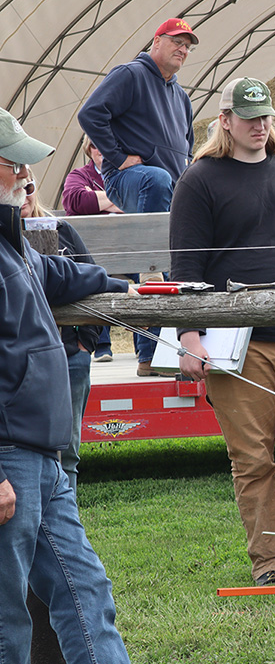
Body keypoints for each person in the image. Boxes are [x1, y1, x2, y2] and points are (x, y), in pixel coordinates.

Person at [169, 78, 275, 586]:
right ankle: (270, 564)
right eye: (248, 117)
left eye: (265, 115)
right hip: (234, 345)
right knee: (252, 460)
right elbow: (185, 262)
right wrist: (189, 334)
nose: (259, 124)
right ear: (225, 121)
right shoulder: (199, 180)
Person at [0, 105, 135, 664]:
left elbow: (57, 273)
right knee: (6, 617)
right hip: (9, 460)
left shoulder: (14, 245)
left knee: (86, 592)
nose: (28, 177)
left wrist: (123, 287)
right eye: (15, 165)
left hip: (44, 456)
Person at [78, 17, 196, 376]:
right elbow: (90, 114)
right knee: (154, 262)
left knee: (181, 265)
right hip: (131, 179)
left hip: (169, 186)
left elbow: (187, 145)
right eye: (177, 41)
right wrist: (117, 156)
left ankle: (179, 350)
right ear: (156, 41)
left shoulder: (181, 95)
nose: (183, 49)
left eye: (188, 46)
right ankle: (149, 355)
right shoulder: (130, 74)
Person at [20, 173, 105, 490]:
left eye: (30, 187)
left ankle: (65, 520)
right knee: (26, 454)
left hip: (70, 356)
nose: (26, 195)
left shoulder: (61, 230)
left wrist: (86, 344)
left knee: (67, 451)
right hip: (23, 361)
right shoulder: (6, 239)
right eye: (20, 188)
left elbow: (94, 279)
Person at [61, 134, 121, 361]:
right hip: (97, 248)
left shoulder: (130, 173)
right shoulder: (80, 175)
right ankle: (101, 345)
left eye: (106, 144)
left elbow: (143, 198)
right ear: (89, 149)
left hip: (131, 246)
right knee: (94, 272)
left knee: (154, 274)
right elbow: (75, 200)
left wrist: (97, 201)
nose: (101, 150)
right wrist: (119, 200)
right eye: (95, 145)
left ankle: (147, 353)